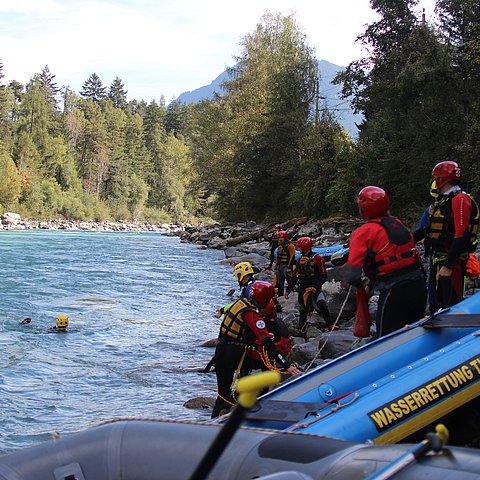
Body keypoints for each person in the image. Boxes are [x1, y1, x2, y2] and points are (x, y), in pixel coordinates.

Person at [344, 186, 427, 338]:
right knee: (415, 332)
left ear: (363, 208)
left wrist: (364, 288)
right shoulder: (397, 222)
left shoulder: (362, 233)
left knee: (387, 339)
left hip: (394, 290)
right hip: (419, 283)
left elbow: (352, 276)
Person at [211, 280, 300, 418]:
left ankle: (216, 421)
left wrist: (257, 335)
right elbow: (267, 344)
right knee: (267, 366)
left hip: (221, 353)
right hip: (231, 355)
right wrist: (287, 365)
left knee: (223, 394)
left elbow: (240, 331)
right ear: (264, 299)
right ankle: (256, 399)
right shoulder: (252, 314)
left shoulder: (240, 304)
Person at [415, 161, 479, 310]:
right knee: (438, 304)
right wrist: (405, 240)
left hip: (452, 264)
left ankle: (455, 328)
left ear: (441, 179)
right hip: (439, 260)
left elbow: (461, 235)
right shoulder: (444, 201)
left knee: (451, 303)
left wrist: (449, 266)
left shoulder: (460, 200)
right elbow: (428, 230)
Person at [286, 237, 335, 332]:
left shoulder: (318, 259)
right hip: (302, 288)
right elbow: (295, 276)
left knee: (322, 305)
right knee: (302, 309)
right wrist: (288, 289)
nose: (299, 249)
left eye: (300, 247)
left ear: (306, 247)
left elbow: (323, 276)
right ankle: (302, 328)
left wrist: (316, 287)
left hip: (314, 287)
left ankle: (330, 324)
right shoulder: (300, 260)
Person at [273, 231, 296, 297]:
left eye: (282, 237)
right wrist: (276, 267)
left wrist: (289, 267)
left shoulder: (290, 246)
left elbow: (292, 257)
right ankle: (280, 295)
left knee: (290, 280)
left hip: (286, 266)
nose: (280, 239)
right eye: (279, 237)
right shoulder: (280, 246)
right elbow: (278, 258)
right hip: (280, 266)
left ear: (285, 238)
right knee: (280, 282)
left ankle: (293, 293)